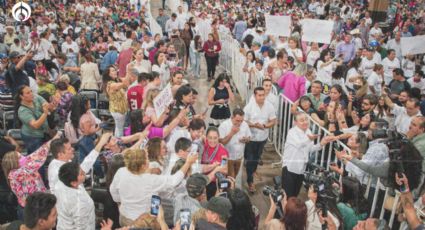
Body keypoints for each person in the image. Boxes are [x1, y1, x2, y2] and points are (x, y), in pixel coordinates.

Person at [109, 148, 198, 226]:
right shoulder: (150, 180)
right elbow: (173, 181)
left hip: (124, 217)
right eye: (147, 159)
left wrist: (121, 203)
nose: (149, 161)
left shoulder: (121, 171)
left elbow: (113, 191)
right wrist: (188, 163)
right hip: (144, 222)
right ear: (143, 166)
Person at [2, 132, 60, 219]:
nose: (23, 157)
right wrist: (51, 142)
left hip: (38, 206)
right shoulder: (15, 174)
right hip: (30, 211)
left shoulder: (24, 168)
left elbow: (34, 156)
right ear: (13, 162)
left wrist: (51, 142)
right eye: (20, 157)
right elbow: (35, 158)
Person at [282, 112, 335, 198]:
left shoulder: (309, 131)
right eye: (301, 120)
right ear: (295, 122)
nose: (305, 122)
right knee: (286, 196)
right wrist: (309, 138)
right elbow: (299, 144)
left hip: (301, 169)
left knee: (295, 195)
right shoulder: (292, 132)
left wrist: (321, 143)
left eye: (306, 119)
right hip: (290, 168)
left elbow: (311, 148)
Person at [244, 87, 277, 193]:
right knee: (250, 159)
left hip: (263, 138)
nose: (262, 97)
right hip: (251, 138)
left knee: (257, 157)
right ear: (254, 95)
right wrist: (254, 125)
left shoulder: (269, 106)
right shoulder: (249, 107)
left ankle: (253, 170)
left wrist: (264, 125)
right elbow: (243, 122)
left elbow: (273, 121)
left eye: (263, 95)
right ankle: (250, 181)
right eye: (260, 95)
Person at [55, 161, 95, 229]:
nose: (84, 173)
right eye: (82, 174)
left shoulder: (60, 184)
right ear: (74, 183)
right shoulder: (80, 203)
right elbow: (81, 227)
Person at [16, 85, 50, 154]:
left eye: (31, 91)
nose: (31, 94)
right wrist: (45, 113)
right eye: (28, 93)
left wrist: (47, 105)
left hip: (42, 133)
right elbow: (35, 125)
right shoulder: (23, 110)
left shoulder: (35, 97)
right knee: (36, 157)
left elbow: (46, 104)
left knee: (42, 154)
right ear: (21, 96)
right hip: (32, 137)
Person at [219, 108, 251, 179]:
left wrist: (246, 139)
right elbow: (221, 142)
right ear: (232, 117)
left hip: (239, 157)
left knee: (234, 177)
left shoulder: (245, 124)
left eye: (241, 121)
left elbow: (249, 137)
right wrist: (232, 133)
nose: (239, 123)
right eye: (237, 120)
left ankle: (229, 188)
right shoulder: (224, 125)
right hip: (228, 158)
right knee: (231, 177)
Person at [103, 65, 130, 137]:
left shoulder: (116, 80)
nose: (115, 72)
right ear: (108, 74)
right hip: (117, 110)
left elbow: (126, 80)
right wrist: (128, 70)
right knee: (120, 129)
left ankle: (117, 142)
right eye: (112, 71)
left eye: (115, 70)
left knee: (118, 129)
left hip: (121, 109)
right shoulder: (110, 84)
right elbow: (125, 83)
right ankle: (118, 143)